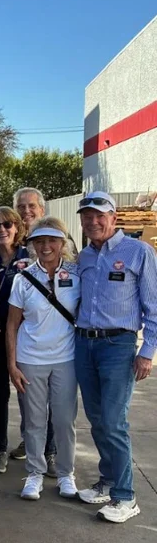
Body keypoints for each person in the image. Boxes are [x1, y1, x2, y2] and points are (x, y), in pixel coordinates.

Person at [73, 192, 157, 522]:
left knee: (114, 422)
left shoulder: (138, 252)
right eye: (87, 216)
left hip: (118, 347)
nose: (92, 222)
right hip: (84, 344)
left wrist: (147, 352)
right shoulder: (83, 257)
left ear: (113, 218)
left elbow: (154, 308)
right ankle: (108, 482)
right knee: (97, 419)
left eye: (99, 216)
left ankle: (126, 496)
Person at [6, 218, 80, 501]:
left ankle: (65, 474)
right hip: (30, 359)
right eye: (40, 242)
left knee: (64, 420)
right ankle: (34, 474)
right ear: (33, 246)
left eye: (51, 240)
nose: (46, 246)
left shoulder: (76, 273)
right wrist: (12, 364)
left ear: (62, 243)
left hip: (67, 358)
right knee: (34, 421)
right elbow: (12, 324)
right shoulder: (22, 277)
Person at [0, 207, 30, 475]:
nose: (2, 230)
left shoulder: (30, 258)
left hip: (27, 338)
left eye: (7, 224)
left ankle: (42, 448)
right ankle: (0, 449)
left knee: (31, 394)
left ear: (17, 227)